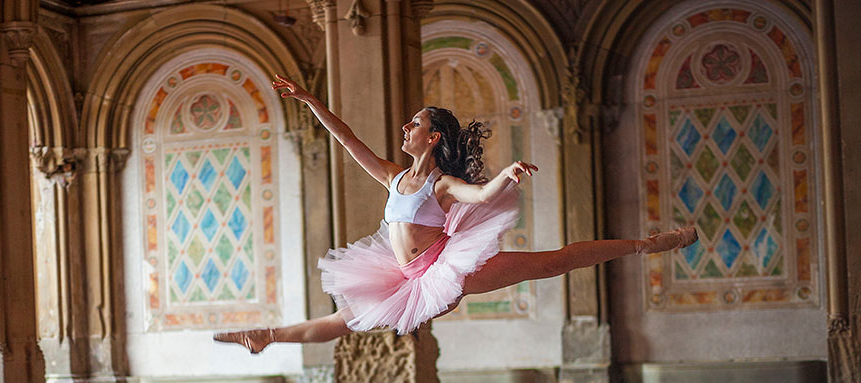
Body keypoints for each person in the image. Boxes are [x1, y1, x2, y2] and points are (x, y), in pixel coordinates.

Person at [213, 74, 697, 354]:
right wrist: (310, 100)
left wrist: (507, 173)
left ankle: (651, 243)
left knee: (555, 261)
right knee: (346, 320)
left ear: (434, 137)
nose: (406, 127)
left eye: (415, 123)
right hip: (402, 277)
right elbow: (346, 138)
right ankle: (266, 336)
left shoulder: (440, 185)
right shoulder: (392, 176)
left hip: (447, 268)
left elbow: (482, 196)